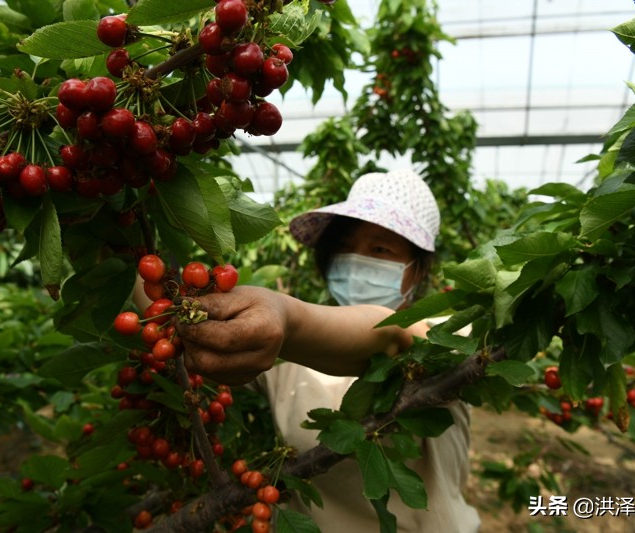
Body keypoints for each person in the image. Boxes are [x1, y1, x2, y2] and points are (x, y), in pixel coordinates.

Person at [177, 168, 481, 532]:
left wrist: (288, 319)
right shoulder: (285, 362)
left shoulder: (451, 335)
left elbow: (392, 334)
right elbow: (176, 321)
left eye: (380, 249)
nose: (355, 260)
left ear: (417, 270)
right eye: (343, 247)